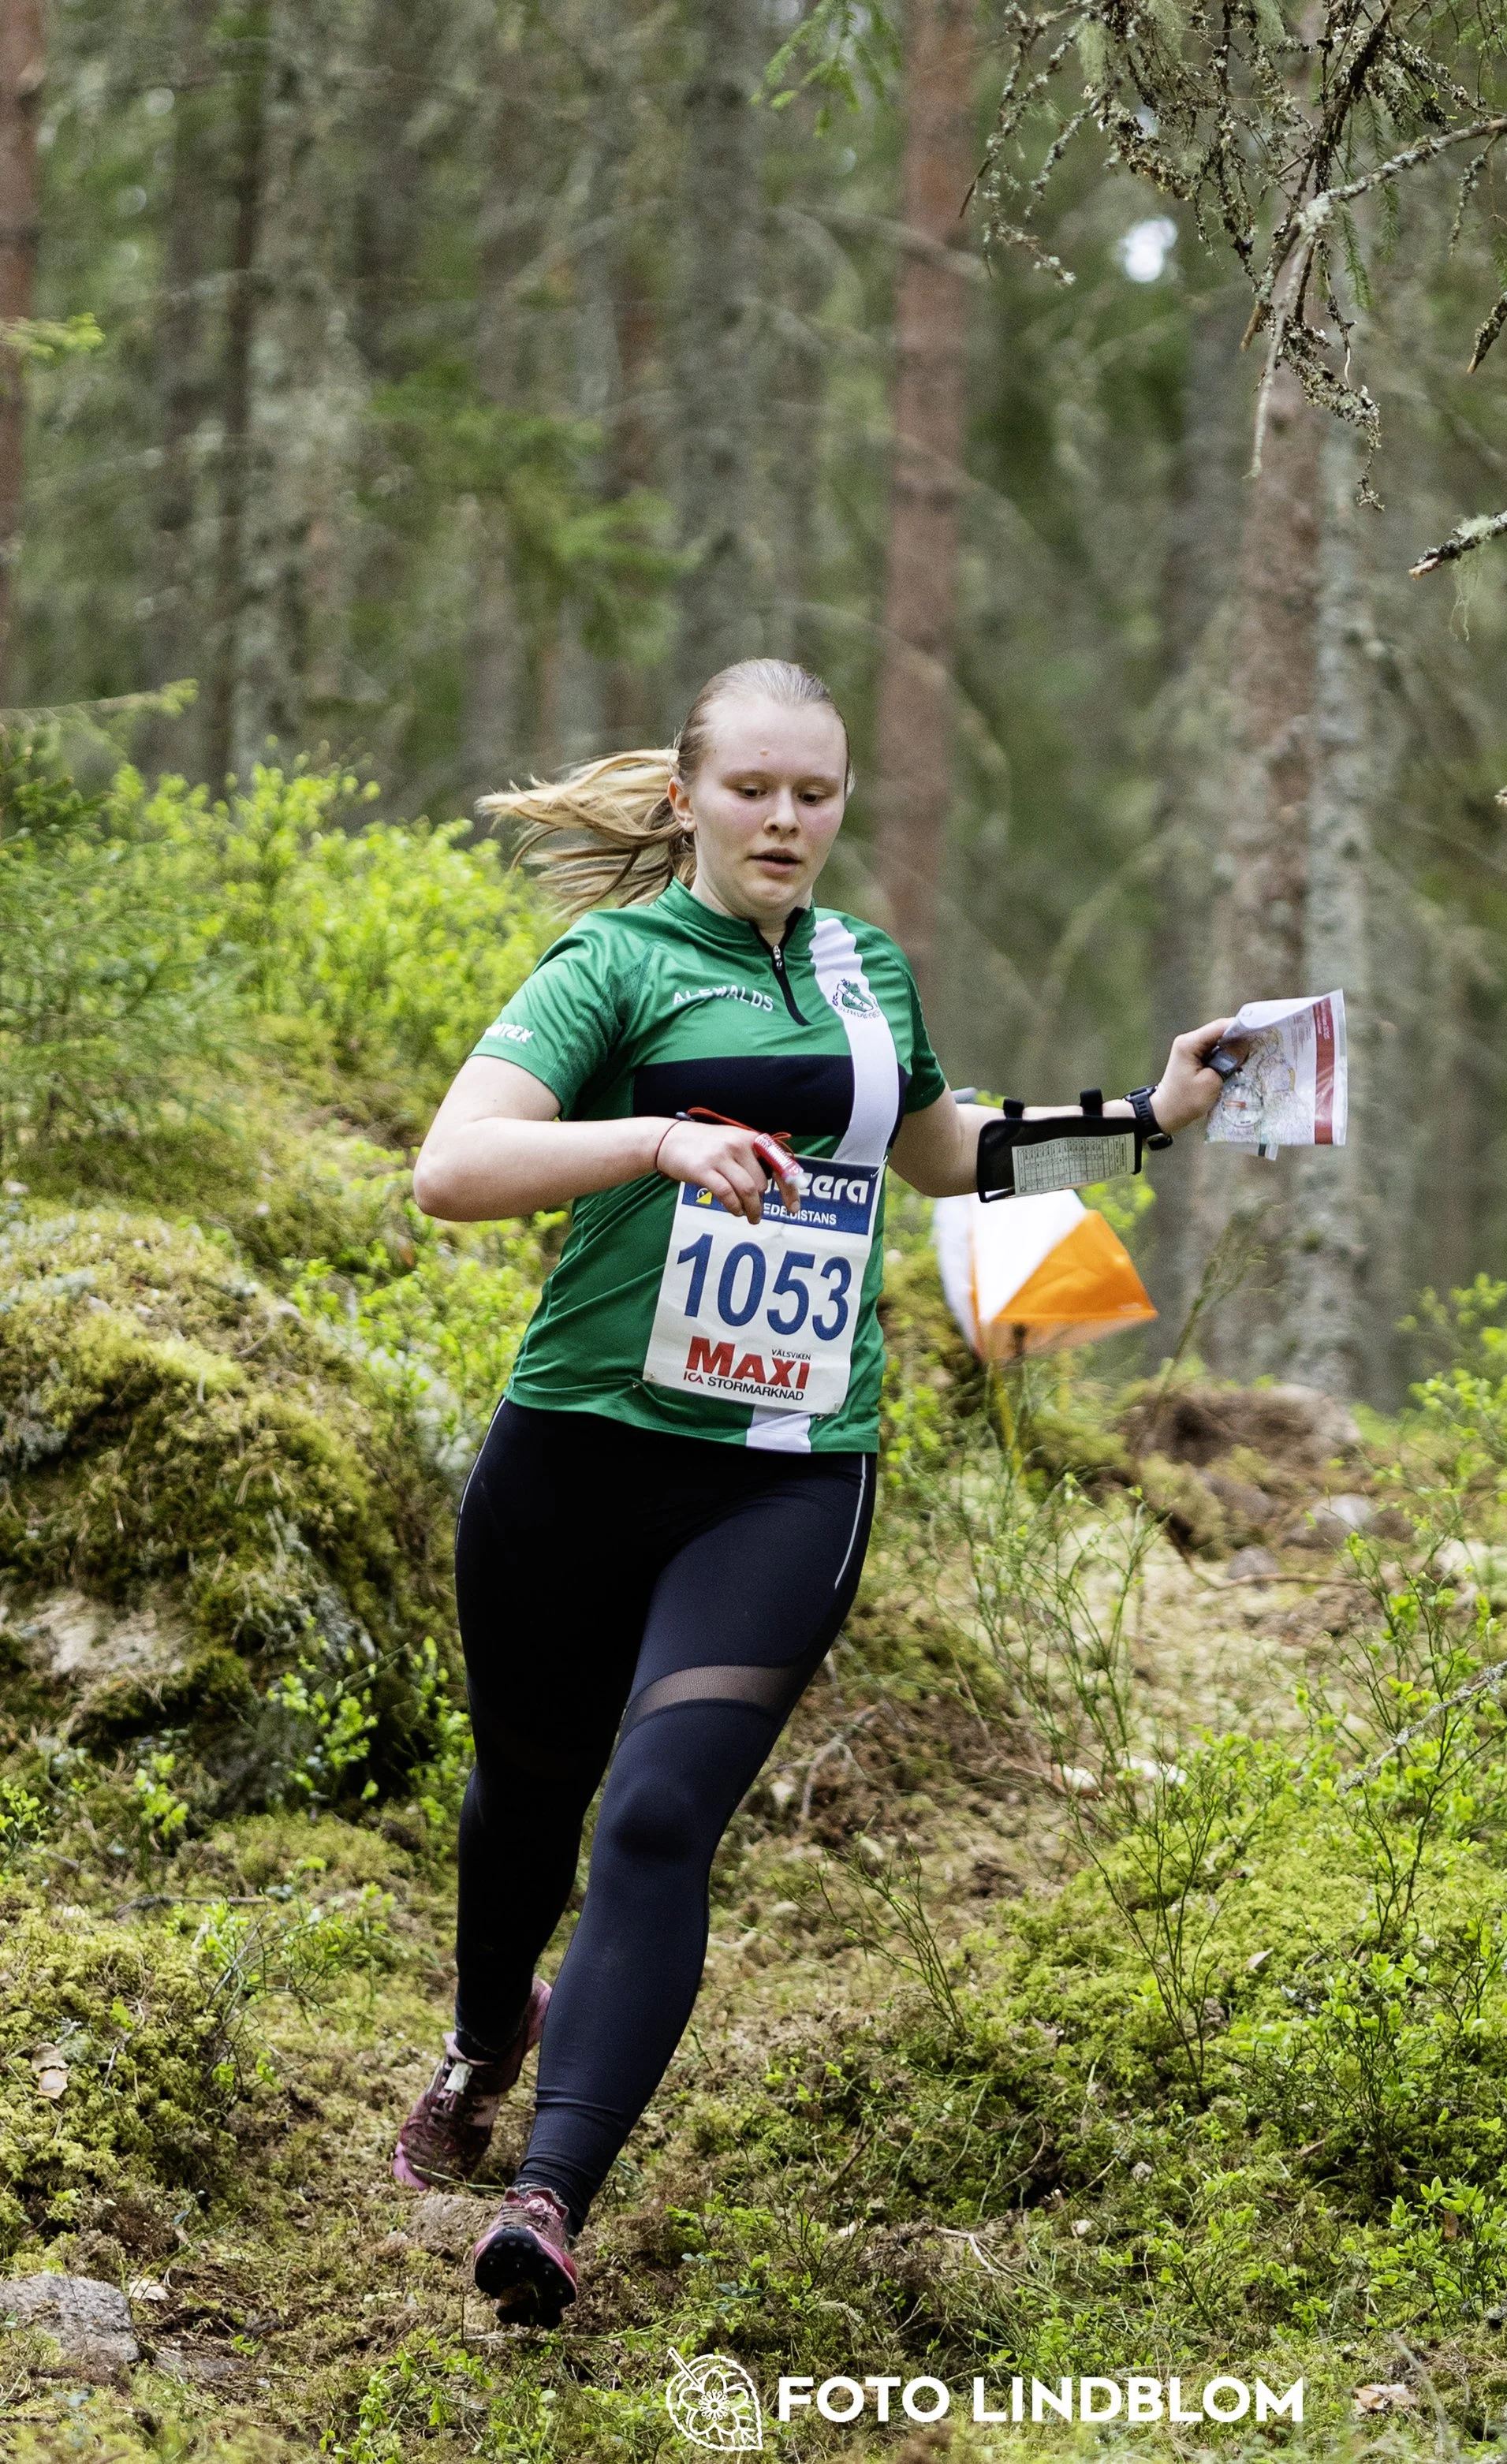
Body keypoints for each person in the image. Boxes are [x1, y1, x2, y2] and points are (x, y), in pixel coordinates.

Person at [394, 658, 1235, 2325]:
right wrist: (653, 1142)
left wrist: (1141, 1114)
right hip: (578, 1444)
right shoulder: (612, 963)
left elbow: (934, 1150)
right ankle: (489, 2030)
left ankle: (549, 2196)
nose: (787, 820)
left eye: (817, 792)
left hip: (784, 1469)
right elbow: (451, 1167)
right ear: (685, 800)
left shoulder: (865, 968)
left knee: (653, 1815)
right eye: (754, 789)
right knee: (528, 1794)